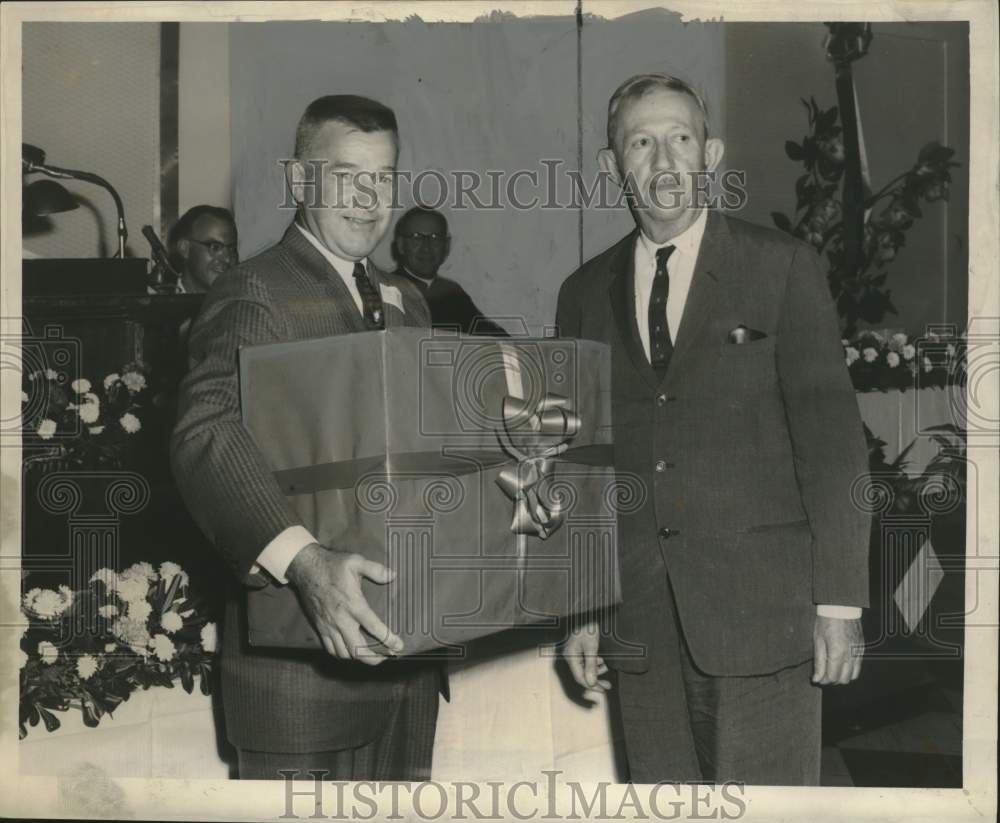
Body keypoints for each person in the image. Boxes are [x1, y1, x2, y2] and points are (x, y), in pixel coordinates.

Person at [556, 74, 870, 785]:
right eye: (641, 142)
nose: (664, 162)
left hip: (766, 617)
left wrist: (839, 601)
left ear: (712, 154)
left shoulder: (781, 267)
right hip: (638, 626)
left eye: (681, 138)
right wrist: (577, 606)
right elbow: (580, 465)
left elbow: (834, 445)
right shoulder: (582, 294)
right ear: (612, 166)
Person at [170, 95, 440, 781]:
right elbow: (206, 433)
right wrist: (304, 561)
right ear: (298, 181)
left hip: (406, 668)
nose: (368, 197)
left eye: (382, 177)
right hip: (299, 682)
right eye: (344, 175)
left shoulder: (409, 300)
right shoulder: (254, 290)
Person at [392, 206, 507, 335]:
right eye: (417, 237)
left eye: (435, 237)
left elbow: (490, 334)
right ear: (401, 245)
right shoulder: (385, 290)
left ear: (446, 247)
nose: (426, 248)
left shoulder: (453, 293)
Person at [168, 205, 239, 293]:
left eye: (232, 250)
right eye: (215, 247)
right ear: (184, 248)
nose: (228, 259)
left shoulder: (243, 303)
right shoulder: (157, 304)